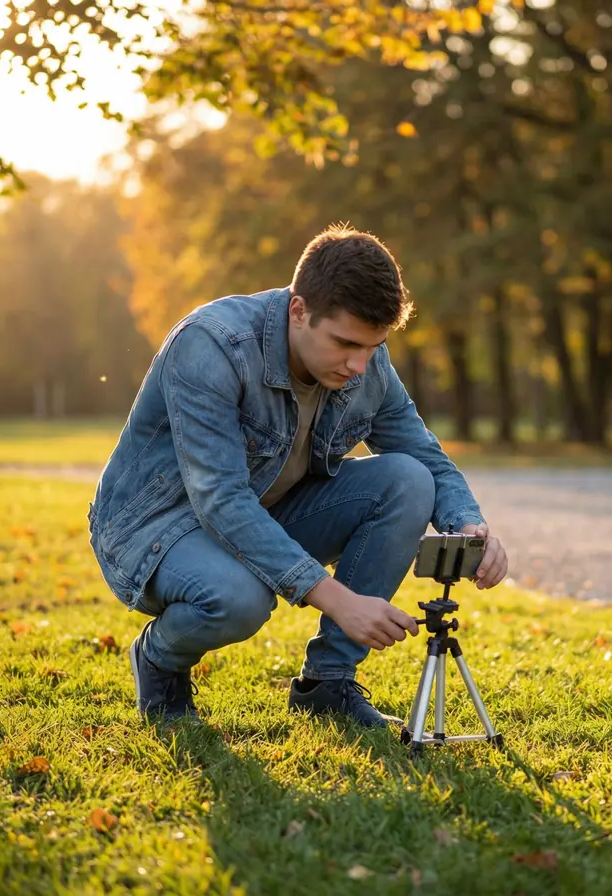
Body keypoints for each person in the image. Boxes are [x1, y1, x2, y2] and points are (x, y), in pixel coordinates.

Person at [86, 224, 508, 727]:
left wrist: (468, 525)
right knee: (239, 597)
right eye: (346, 344)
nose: (359, 364)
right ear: (299, 311)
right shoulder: (212, 345)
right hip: (154, 527)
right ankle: (159, 657)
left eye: (373, 346)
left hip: (265, 510)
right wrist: (339, 600)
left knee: (409, 479)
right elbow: (219, 498)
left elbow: (421, 451)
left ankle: (327, 685)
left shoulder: (364, 360)